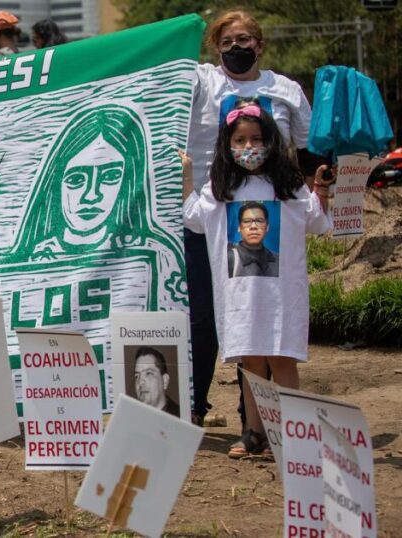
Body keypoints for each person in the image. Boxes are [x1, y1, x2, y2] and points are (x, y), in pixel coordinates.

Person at [184, 10, 323, 428]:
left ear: (260, 45)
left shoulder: (284, 90)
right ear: (215, 48)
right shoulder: (200, 82)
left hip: (270, 215)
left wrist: (321, 191)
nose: (236, 49)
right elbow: (154, 76)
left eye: (244, 40)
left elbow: (310, 146)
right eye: (226, 42)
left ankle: (259, 422)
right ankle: (193, 405)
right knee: (204, 314)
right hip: (211, 210)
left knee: (261, 319)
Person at [182, 102, 331, 458]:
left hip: (282, 296)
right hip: (240, 299)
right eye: (240, 140)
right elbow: (193, 219)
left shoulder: (288, 186)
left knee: (282, 359)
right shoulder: (221, 189)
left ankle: (293, 435)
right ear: (228, 145)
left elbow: (314, 221)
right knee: (250, 362)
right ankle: (254, 433)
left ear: (271, 142)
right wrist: (187, 176)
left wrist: (322, 189)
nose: (249, 147)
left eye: (257, 139)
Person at [11, 104, 183, 262]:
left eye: (110, 177)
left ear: (128, 183)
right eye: (76, 180)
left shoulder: (154, 254)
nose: (91, 195)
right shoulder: (30, 260)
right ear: (55, 187)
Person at [228, 201, 279, 278]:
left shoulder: (279, 261)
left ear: (267, 227)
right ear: (239, 227)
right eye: (247, 221)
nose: (253, 226)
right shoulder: (229, 258)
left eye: (259, 221)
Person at [131, 347, 179, 417]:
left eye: (148, 373)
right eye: (137, 376)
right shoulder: (131, 418)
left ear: (165, 381)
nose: (140, 382)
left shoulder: (183, 419)